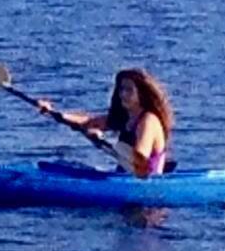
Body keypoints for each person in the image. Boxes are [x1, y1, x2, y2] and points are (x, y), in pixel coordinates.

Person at [36, 68, 174, 178]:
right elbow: (89, 122)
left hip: (143, 184)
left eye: (129, 90)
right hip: (124, 178)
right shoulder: (126, 117)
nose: (123, 94)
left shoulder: (148, 120)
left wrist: (101, 141)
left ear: (142, 94)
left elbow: (139, 161)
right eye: (121, 89)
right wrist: (53, 113)